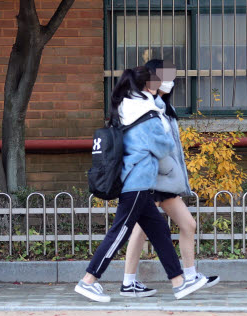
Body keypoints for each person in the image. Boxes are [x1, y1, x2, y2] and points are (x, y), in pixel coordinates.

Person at [75, 66, 208, 303]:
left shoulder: (129, 108)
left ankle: (179, 283)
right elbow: (164, 147)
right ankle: (89, 280)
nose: (163, 84)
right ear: (147, 86)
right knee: (119, 233)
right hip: (136, 184)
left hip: (139, 184)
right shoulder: (146, 114)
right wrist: (162, 121)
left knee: (159, 231)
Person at [119, 59, 219, 297]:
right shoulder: (145, 105)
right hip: (152, 179)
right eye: (163, 77)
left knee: (186, 224)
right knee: (141, 230)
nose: (169, 82)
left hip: (164, 180)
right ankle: (130, 281)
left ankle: (190, 275)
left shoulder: (162, 105)